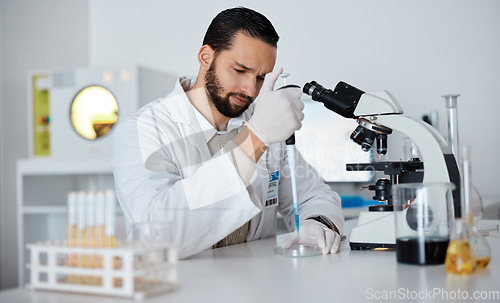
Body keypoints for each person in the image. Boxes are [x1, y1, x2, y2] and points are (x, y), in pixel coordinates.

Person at [111, 6, 344, 259]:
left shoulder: (260, 120)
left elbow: (313, 194)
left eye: (261, 77)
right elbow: (158, 236)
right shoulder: (144, 130)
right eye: (240, 70)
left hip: (257, 286)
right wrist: (255, 138)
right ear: (205, 57)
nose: (250, 90)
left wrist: (318, 222)